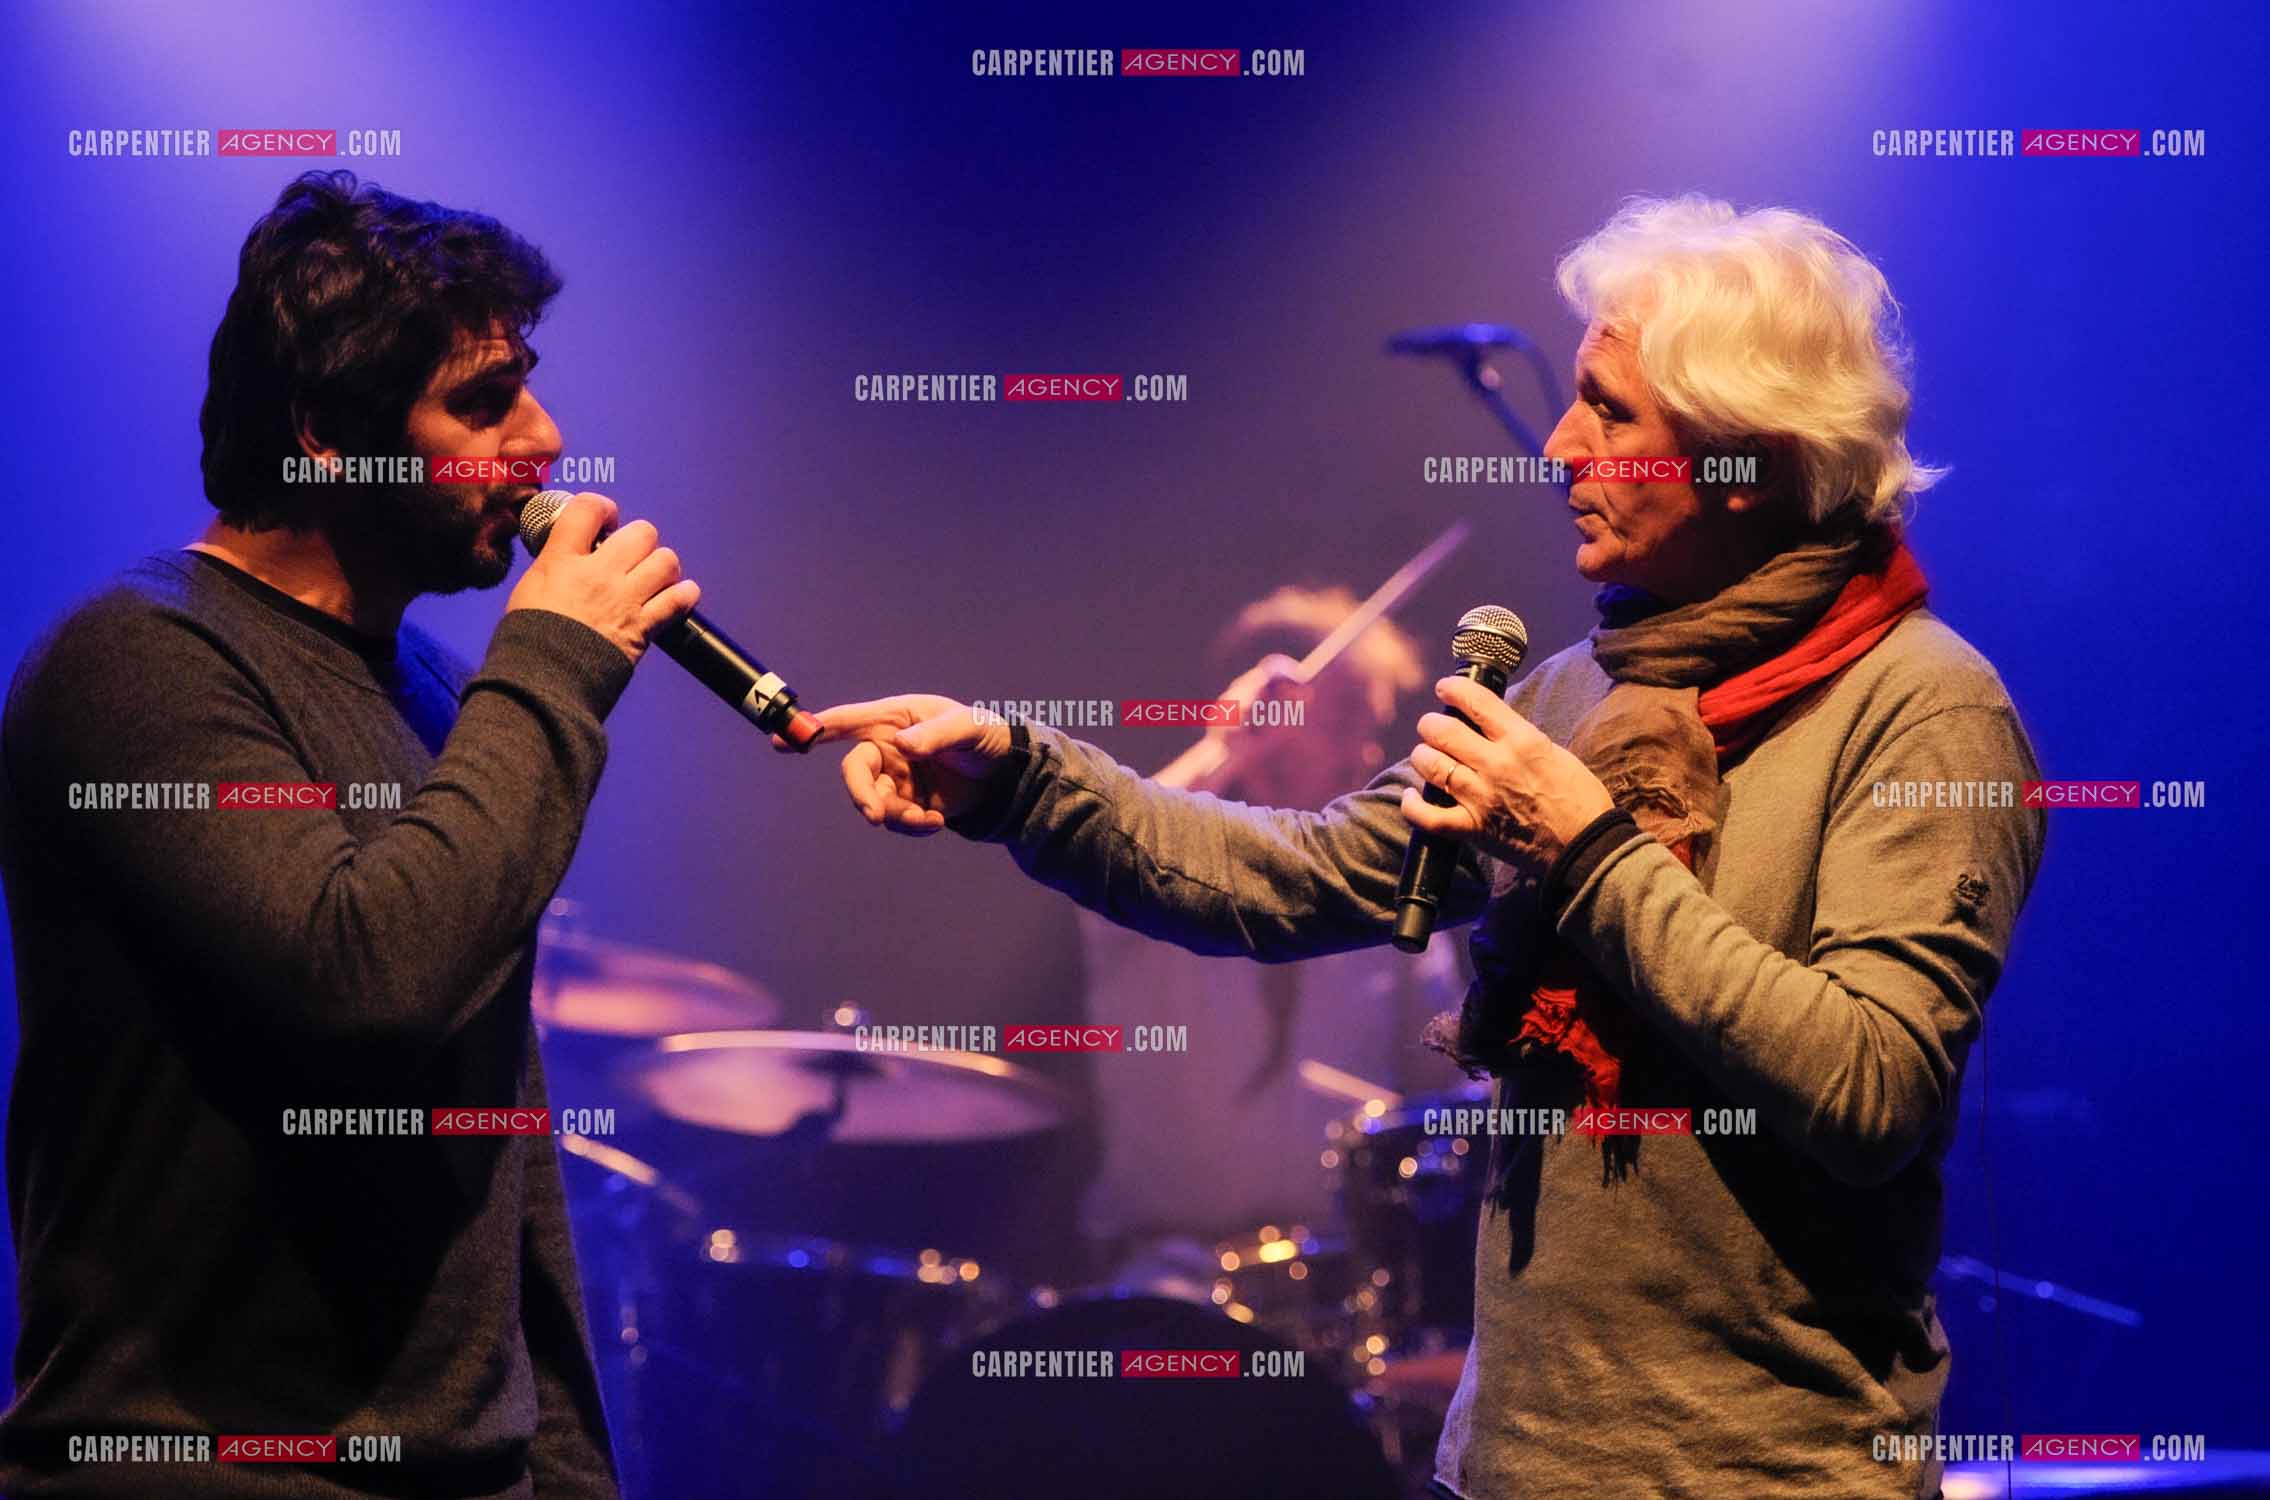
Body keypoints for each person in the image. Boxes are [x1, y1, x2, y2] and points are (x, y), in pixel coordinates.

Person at [805, 195, 2046, 1499]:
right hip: (1508, 1465)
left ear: (1740, 448)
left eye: (1608, 412)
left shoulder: (1922, 706)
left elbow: (1871, 1092)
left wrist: (1584, 848)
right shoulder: (1573, 696)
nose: (1558, 447)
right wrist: (1017, 773)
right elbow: (1291, 873)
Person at [0, 172, 694, 1498]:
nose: (546, 442)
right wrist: (547, 664)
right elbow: (368, 982)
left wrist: (563, 1466)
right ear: (326, 431)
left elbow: (498, 1126)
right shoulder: (141, 661)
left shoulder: (439, 689)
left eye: (527, 389)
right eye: (483, 404)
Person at [1076, 586, 1464, 1270]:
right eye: (1347, 719)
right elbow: (1094, 847)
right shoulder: (1161, 865)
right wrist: (1223, 744)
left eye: (1374, 727)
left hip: (1350, 1287)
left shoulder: (1397, 894)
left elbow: (1444, 1099)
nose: (1368, 751)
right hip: (1171, 1280)